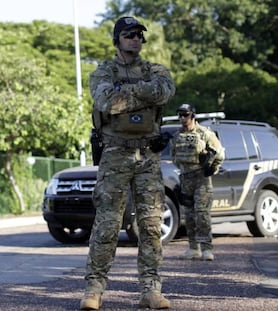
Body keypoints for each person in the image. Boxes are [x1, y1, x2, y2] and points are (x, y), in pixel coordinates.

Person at [81, 16, 176, 310]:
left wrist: (128, 94)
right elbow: (106, 101)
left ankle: (151, 289)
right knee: (107, 225)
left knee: (150, 225)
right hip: (115, 154)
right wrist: (143, 94)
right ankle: (94, 290)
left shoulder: (155, 70)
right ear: (117, 39)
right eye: (129, 34)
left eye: (139, 34)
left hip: (147, 155)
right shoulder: (103, 72)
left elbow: (165, 90)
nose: (136, 38)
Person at [170, 104, 225, 261]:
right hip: (185, 178)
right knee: (189, 215)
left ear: (192, 116)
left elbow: (219, 153)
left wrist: (212, 167)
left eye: (185, 115)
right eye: (179, 115)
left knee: (202, 214)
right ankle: (194, 248)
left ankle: (207, 249)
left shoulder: (205, 133)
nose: (182, 118)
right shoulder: (176, 136)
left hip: (201, 178)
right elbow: (174, 156)